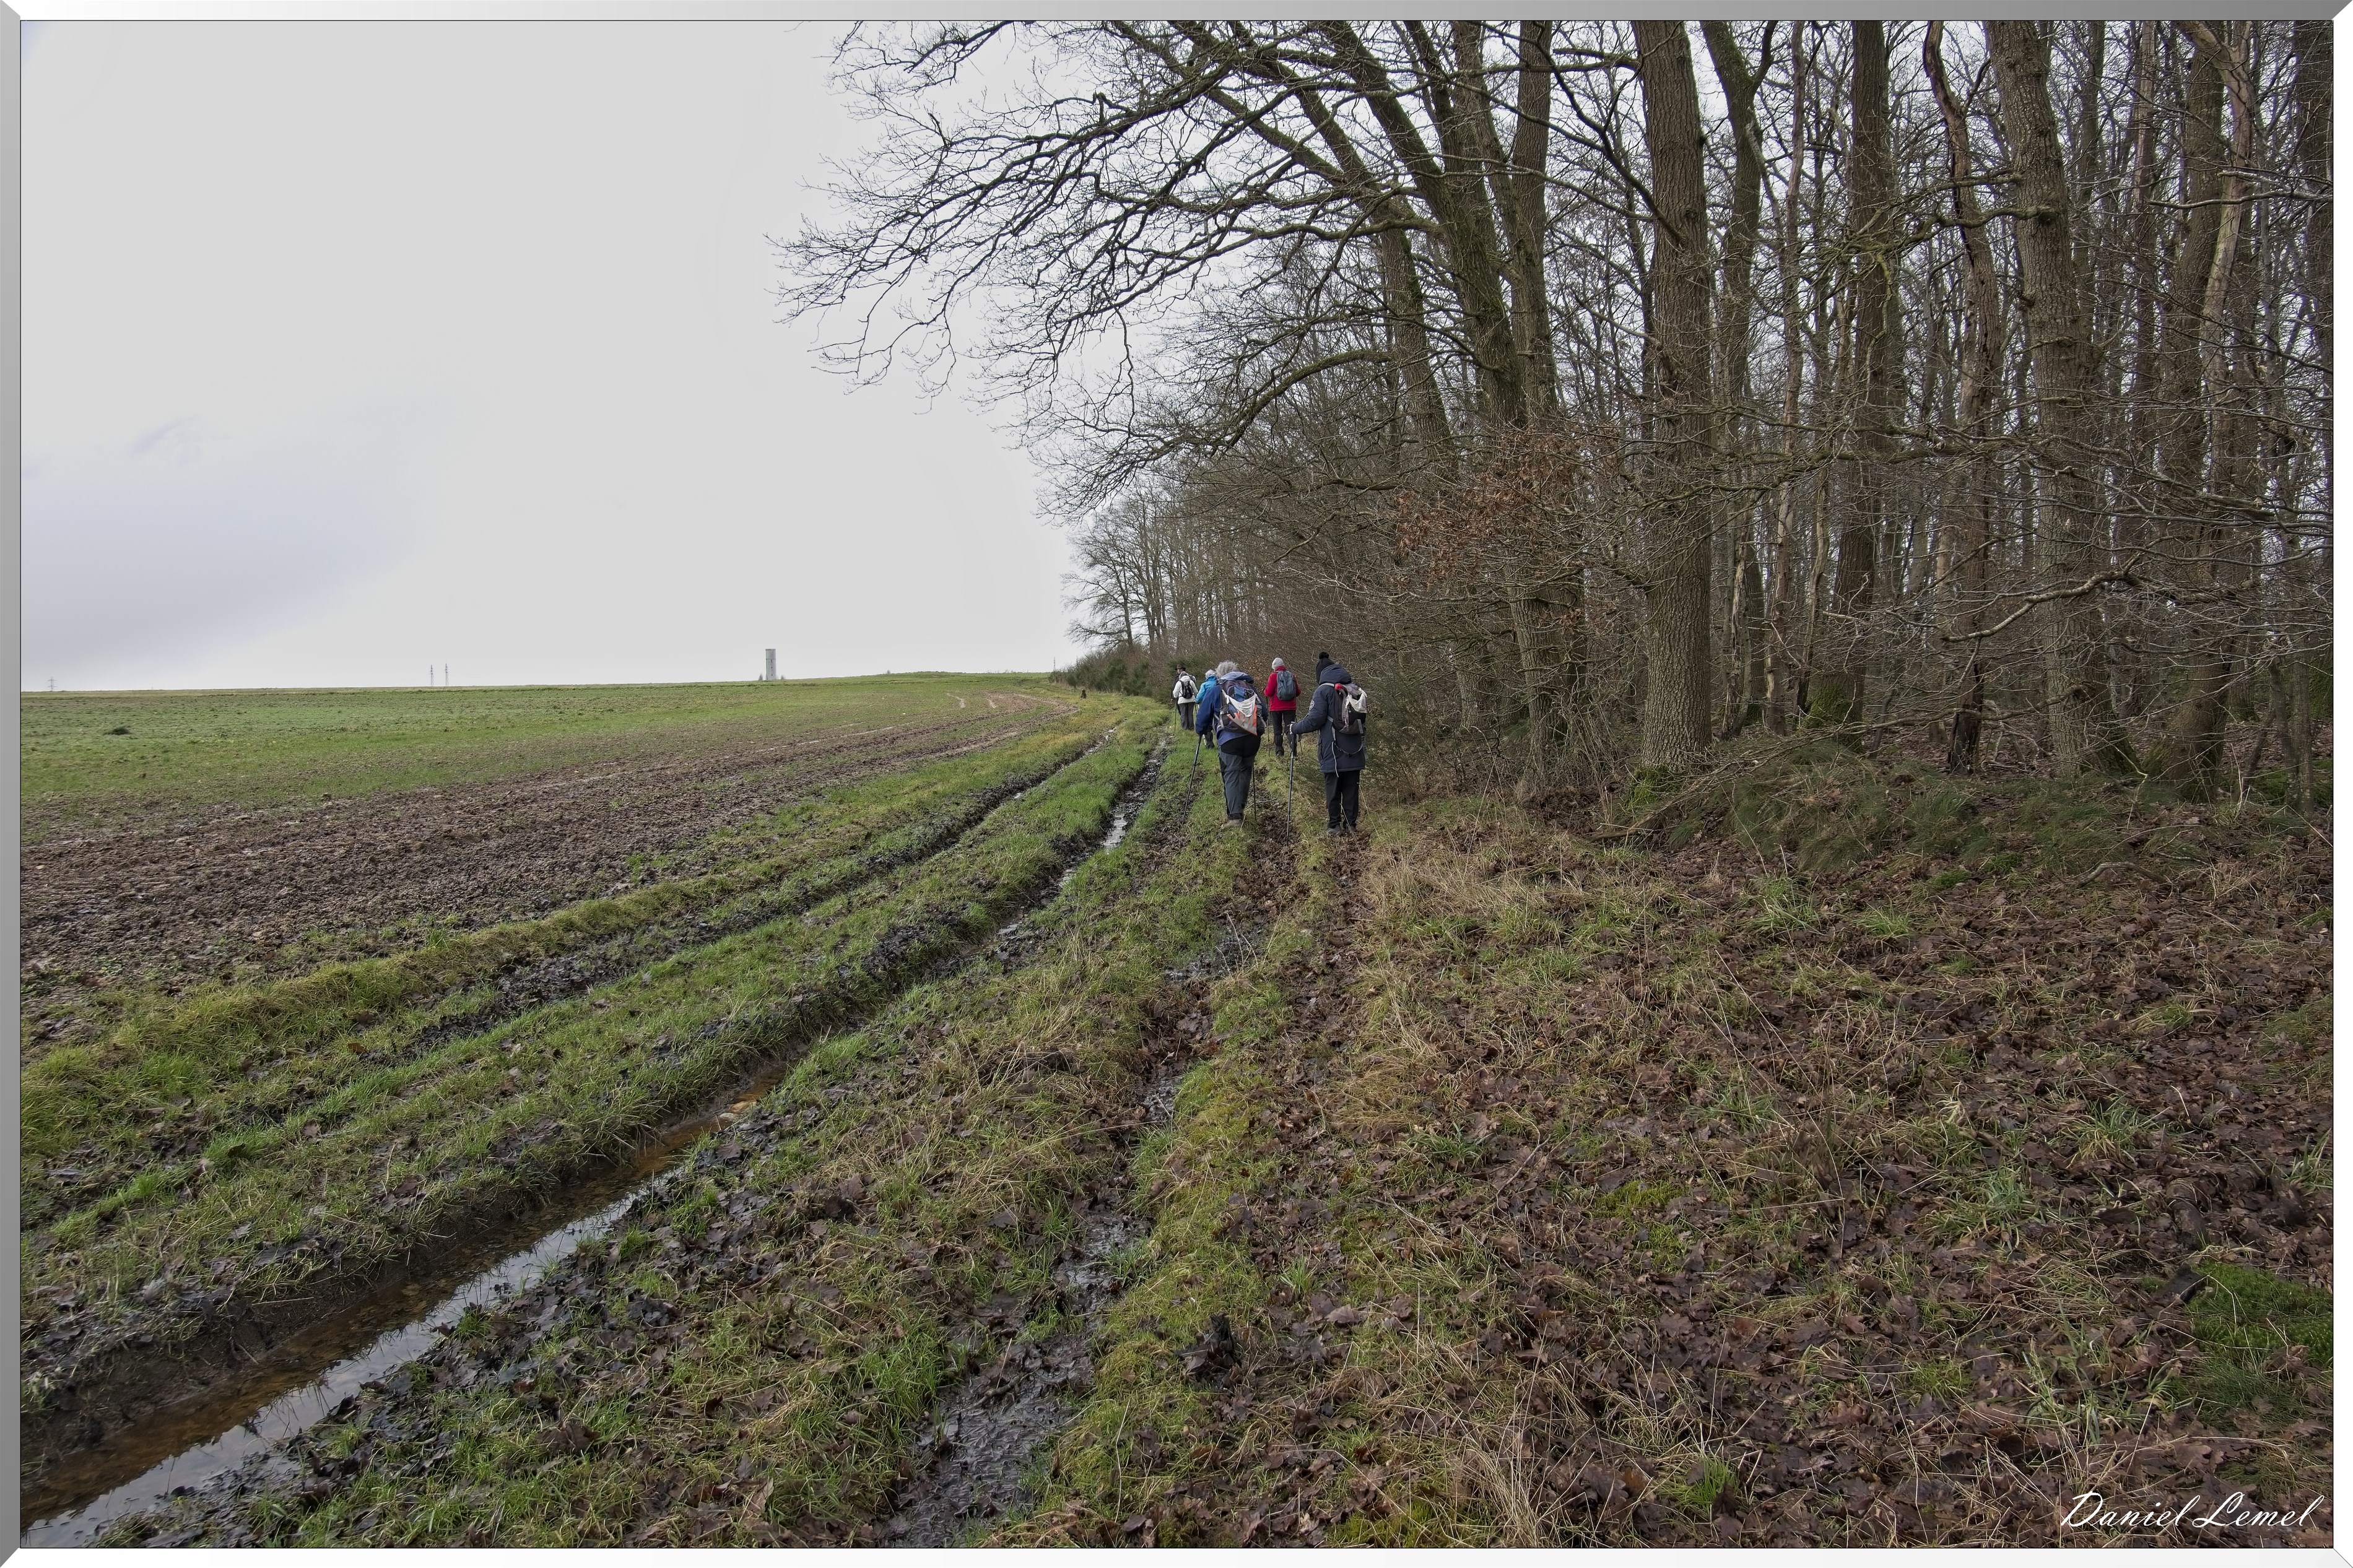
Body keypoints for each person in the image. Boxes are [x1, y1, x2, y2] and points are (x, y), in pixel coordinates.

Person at [1290, 659, 1366, 833]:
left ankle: (1334, 825)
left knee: (1333, 788)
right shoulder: (1354, 689)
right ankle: (1351, 825)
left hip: (1333, 749)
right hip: (1355, 748)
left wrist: (1294, 728)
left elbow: (1314, 721)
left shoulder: (1323, 691)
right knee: (1351, 788)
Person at [1194, 660, 1266, 827]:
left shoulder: (1216, 690)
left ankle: (1235, 817)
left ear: (1220, 676)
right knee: (1245, 771)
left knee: (1231, 774)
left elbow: (1203, 717)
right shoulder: (1250, 688)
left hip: (1229, 739)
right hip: (1252, 738)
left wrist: (1201, 730)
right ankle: (1241, 807)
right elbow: (1265, 713)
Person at [1264, 657, 1300, 756]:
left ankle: (1279, 751)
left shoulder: (1273, 676)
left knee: (1277, 730)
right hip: (1290, 707)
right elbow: (1298, 692)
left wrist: (1265, 691)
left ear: (1274, 667)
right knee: (1290, 728)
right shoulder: (1291, 675)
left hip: (1275, 708)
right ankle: (1293, 747)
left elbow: (1268, 692)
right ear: (1283, 666)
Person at [1172, 666, 1198, 732]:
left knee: (1184, 714)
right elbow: (1196, 691)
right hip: (1191, 700)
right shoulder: (1191, 682)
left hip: (1182, 701)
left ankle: (1185, 728)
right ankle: (1191, 728)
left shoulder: (1179, 682)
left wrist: (1176, 697)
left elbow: (1175, 694)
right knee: (1190, 714)